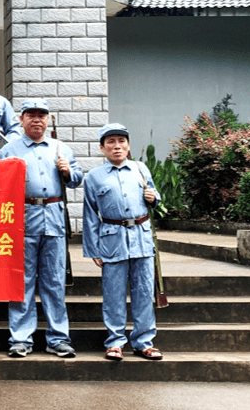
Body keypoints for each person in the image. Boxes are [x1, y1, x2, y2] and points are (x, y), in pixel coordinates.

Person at [0, 98, 83, 358]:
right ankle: (21, 338)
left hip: (54, 219)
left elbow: (77, 178)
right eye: (31, 115)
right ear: (21, 119)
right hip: (23, 220)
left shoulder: (60, 148)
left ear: (48, 120)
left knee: (54, 282)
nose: (37, 120)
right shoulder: (9, 149)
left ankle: (58, 338)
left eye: (42, 115)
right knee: (22, 282)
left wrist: (68, 171)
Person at [82, 123, 163, 361]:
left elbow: (155, 196)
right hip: (112, 240)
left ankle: (144, 342)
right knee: (113, 294)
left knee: (144, 292)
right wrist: (93, 249)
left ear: (128, 145)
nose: (117, 146)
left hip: (141, 238)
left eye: (121, 141)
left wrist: (154, 198)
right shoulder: (94, 177)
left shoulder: (140, 169)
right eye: (111, 142)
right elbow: (89, 215)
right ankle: (115, 342)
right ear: (102, 148)